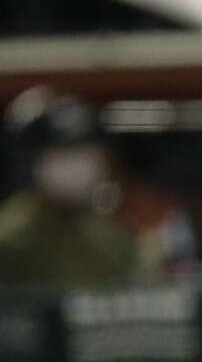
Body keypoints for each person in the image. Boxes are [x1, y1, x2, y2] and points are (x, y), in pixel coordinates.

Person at [0, 87, 136, 285]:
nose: (75, 165)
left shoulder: (109, 236)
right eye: (62, 152)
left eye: (83, 150)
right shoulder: (10, 238)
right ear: (31, 161)